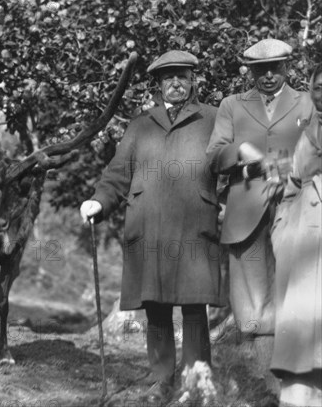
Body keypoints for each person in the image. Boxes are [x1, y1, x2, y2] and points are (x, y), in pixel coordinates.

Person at [80, 50, 225, 403]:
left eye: (182, 76)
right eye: (168, 78)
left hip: (194, 227)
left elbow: (231, 167)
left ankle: (196, 379)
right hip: (149, 227)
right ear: (158, 85)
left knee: (194, 306)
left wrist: (229, 205)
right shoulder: (139, 124)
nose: (176, 83)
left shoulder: (214, 119)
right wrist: (98, 200)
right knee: (155, 306)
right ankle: (160, 380)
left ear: (193, 81)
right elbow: (117, 173)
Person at [205, 39, 315, 368]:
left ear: (286, 67)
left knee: (297, 289)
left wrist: (287, 166)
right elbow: (212, 158)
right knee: (249, 303)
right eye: (260, 70)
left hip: (296, 207)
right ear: (250, 71)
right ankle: (253, 372)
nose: (268, 75)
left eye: (275, 68)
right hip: (244, 209)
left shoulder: (307, 104)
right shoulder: (231, 106)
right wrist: (241, 153)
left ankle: (295, 374)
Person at [269, 64, 322, 407]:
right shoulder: (308, 132)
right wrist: (282, 230)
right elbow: (289, 186)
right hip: (302, 240)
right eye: (318, 88)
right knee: (302, 331)